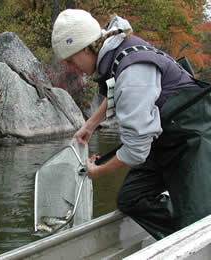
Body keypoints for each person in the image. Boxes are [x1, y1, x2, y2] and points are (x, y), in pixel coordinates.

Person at [51, 9, 211, 240]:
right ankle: (178, 231)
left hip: (193, 140)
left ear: (87, 47)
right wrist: (91, 124)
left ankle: (189, 228)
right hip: (165, 138)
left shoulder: (132, 71)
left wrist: (99, 171)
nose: (71, 66)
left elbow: (135, 151)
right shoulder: (115, 49)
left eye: (71, 59)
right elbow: (118, 88)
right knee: (131, 199)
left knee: (198, 225)